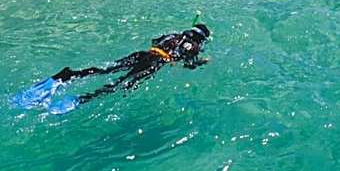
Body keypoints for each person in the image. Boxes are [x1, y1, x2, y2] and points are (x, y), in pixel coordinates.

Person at [12, 24, 211, 114]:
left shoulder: (173, 34)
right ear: (200, 38)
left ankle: (67, 76)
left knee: (105, 70)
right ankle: (80, 99)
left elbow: (155, 40)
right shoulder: (193, 46)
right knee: (118, 85)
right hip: (154, 63)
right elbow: (188, 63)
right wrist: (200, 62)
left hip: (143, 54)